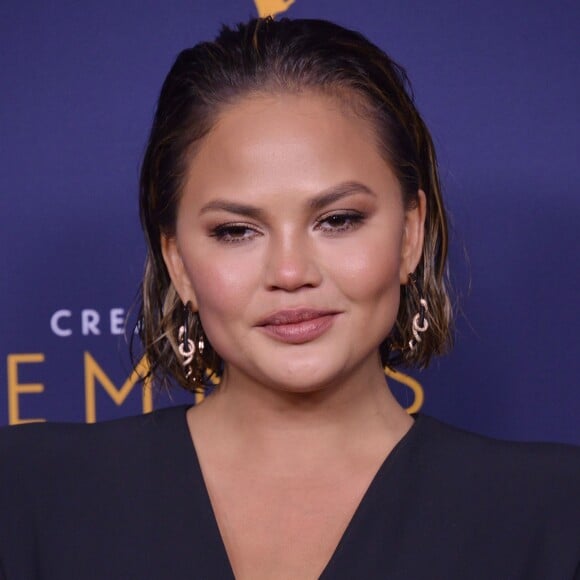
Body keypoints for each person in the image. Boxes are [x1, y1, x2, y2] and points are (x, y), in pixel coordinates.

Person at [1, 17, 579, 580]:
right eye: (236, 231)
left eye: (338, 220)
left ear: (410, 236)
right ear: (177, 262)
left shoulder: (555, 517)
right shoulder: (27, 495)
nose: (290, 272)